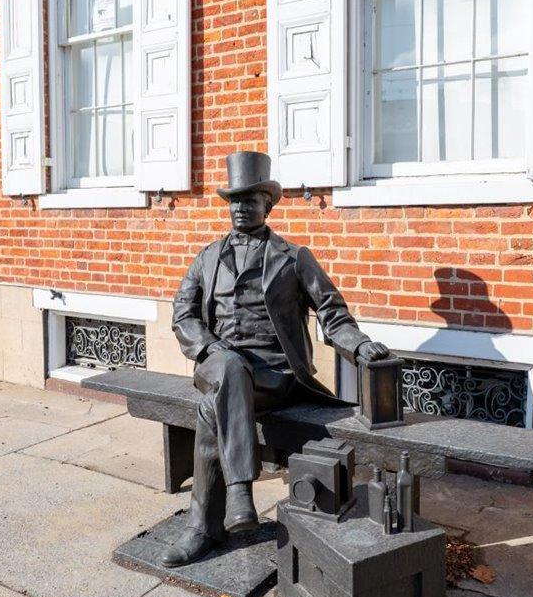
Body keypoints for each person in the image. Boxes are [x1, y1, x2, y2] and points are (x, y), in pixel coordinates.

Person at [161, 151, 391, 566]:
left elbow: (333, 313)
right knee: (228, 368)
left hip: (275, 377)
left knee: (211, 409)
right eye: (234, 200)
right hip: (218, 363)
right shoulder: (207, 257)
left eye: (249, 200)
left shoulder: (294, 258)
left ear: (267, 206)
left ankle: (204, 527)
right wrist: (208, 346)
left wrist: (359, 345)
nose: (239, 208)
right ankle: (237, 496)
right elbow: (183, 314)